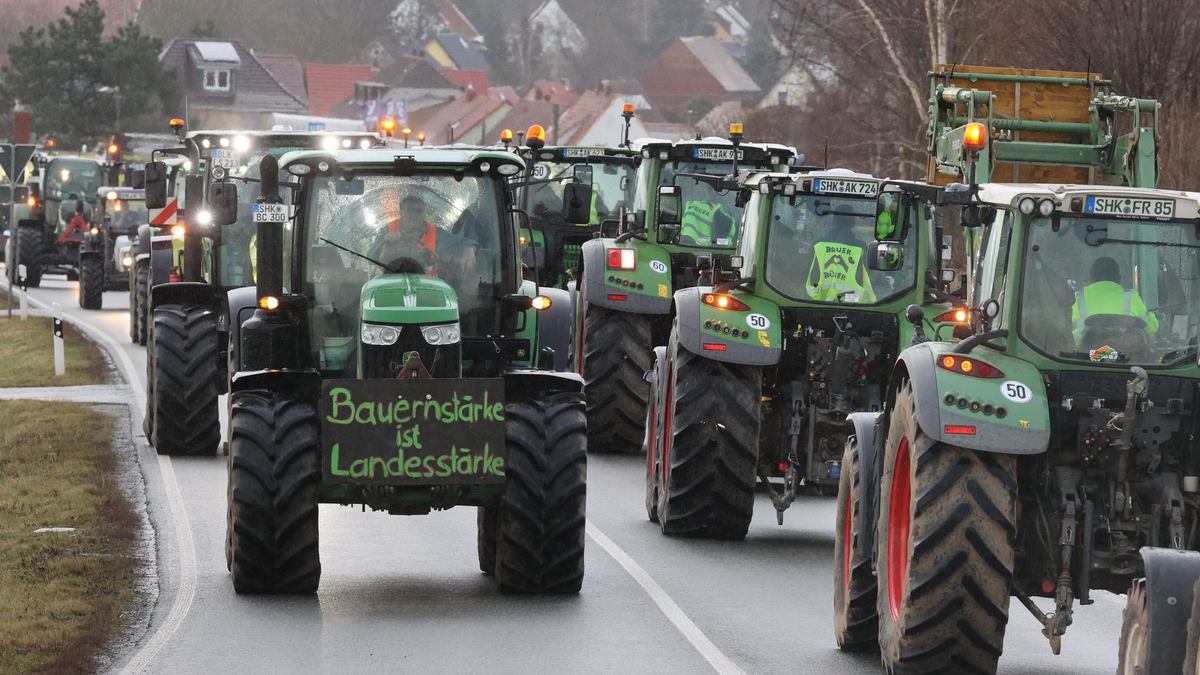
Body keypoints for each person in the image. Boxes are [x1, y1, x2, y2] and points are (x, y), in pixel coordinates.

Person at [372, 192, 476, 277]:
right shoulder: (387, 230)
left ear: (424, 214)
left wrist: (469, 247)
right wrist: (384, 245)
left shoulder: (436, 234)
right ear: (401, 212)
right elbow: (370, 255)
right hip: (387, 287)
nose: (414, 215)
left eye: (419, 211)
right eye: (410, 210)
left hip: (426, 290)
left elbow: (459, 242)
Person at [1071, 256, 1159, 342]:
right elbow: (1152, 327)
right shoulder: (1131, 296)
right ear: (1119, 278)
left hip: (1081, 354)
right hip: (1126, 353)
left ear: (1091, 278)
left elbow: (1063, 328)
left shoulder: (1076, 297)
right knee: (1150, 336)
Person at [805, 215, 877, 303]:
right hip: (853, 306)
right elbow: (871, 273)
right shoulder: (861, 247)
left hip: (813, 303)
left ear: (833, 222)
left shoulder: (817, 245)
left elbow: (806, 270)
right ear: (853, 223)